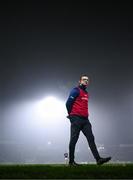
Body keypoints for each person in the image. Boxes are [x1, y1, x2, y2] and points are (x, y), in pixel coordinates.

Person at [66, 75, 111, 166]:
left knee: (91, 139)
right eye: (84, 79)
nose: (86, 81)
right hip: (76, 118)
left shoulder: (86, 93)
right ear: (80, 81)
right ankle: (71, 162)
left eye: (87, 80)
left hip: (85, 120)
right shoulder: (75, 90)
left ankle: (98, 160)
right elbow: (68, 103)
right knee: (74, 140)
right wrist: (71, 115)